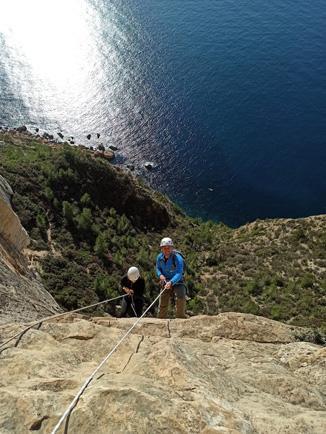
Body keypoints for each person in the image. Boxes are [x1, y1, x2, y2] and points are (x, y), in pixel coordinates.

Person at [156, 237, 187, 319]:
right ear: (161, 249)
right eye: (164, 248)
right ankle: (161, 318)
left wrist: (171, 282)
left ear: (172, 248)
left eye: (168, 248)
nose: (166, 250)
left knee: (180, 296)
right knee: (163, 300)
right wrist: (160, 275)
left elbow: (179, 273)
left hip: (177, 281)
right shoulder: (159, 258)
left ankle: (180, 317)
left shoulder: (178, 258)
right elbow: (158, 268)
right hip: (165, 280)